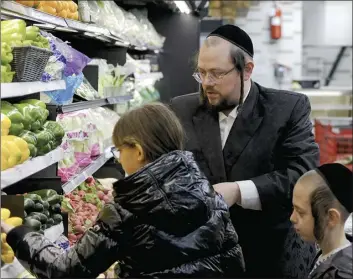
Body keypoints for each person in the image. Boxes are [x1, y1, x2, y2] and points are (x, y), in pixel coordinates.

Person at [1, 103, 245, 278]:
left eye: (119, 151)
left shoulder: (129, 209)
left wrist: (19, 234)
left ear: (138, 151)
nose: (118, 159)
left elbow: (66, 270)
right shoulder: (210, 195)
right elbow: (234, 262)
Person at [170, 24, 320, 278]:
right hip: (203, 256)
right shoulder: (181, 108)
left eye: (217, 73)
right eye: (201, 73)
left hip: (270, 255)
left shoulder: (287, 109)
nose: (207, 83)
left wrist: (239, 191)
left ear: (247, 70)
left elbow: (303, 173)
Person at [291, 163, 352, 279]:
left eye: (301, 212)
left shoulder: (340, 274)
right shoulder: (325, 254)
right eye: (293, 209)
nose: (292, 218)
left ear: (331, 217)